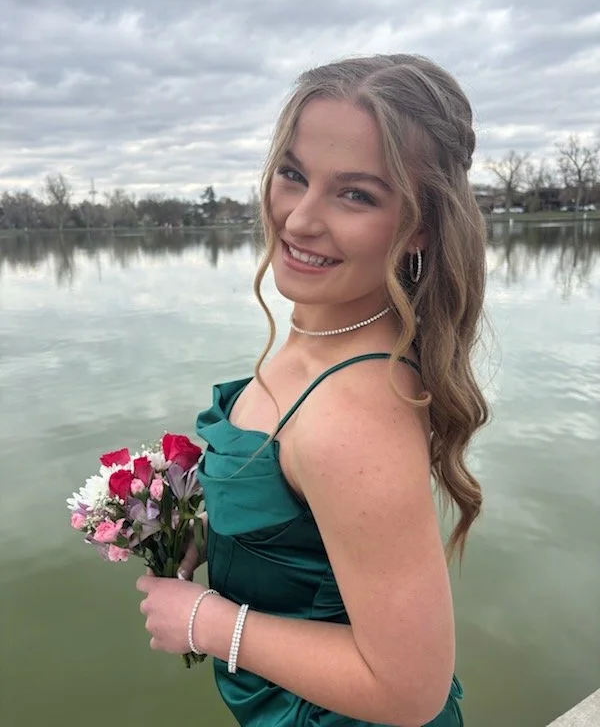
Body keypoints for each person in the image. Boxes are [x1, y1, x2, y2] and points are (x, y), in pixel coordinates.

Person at [136, 53, 488, 726]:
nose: (299, 219)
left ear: (418, 226)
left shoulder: (354, 413)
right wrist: (219, 533)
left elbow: (410, 689)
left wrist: (209, 623)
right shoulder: (328, 328)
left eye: (355, 194)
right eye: (294, 175)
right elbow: (309, 522)